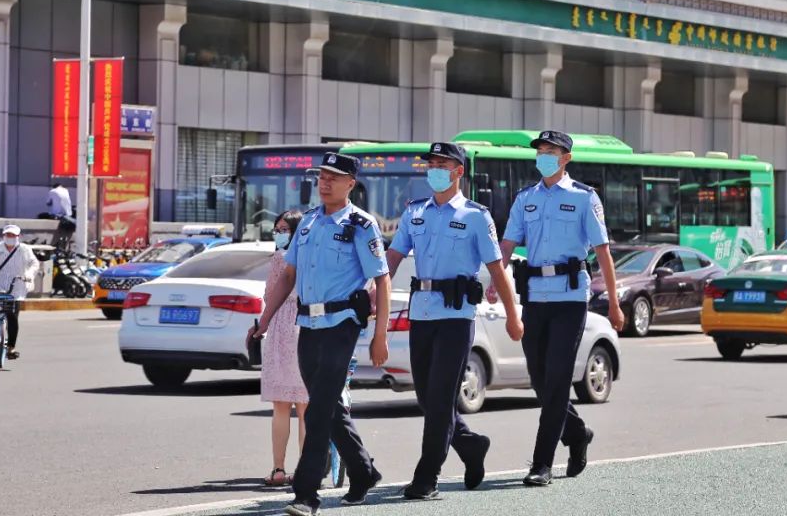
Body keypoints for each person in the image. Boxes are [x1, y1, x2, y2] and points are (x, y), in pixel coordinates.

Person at [253, 152, 391, 516]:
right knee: (329, 409)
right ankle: (363, 472)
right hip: (308, 326)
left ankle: (306, 494)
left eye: (333, 177)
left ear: (351, 183)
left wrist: (381, 336)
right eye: (321, 176)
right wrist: (266, 319)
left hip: (342, 324)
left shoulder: (361, 225)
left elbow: (382, 278)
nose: (324, 182)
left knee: (316, 411)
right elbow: (288, 276)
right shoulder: (310, 222)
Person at [386, 142, 523, 500]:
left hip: (456, 317)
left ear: (458, 171)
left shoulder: (476, 215)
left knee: (442, 397)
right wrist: (375, 291)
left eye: (441, 163)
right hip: (421, 312)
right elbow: (393, 257)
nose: (434, 169)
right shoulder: (415, 211)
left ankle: (426, 476)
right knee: (427, 399)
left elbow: (497, 268)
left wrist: (512, 316)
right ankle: (471, 445)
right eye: (430, 163)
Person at [496, 130, 624, 487]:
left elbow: (602, 252)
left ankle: (541, 463)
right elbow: (506, 244)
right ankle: (578, 432)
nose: (544, 157)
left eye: (551, 152)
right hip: (535, 296)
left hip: (570, 298)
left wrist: (613, 303)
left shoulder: (584, 198)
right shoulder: (526, 198)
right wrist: (496, 280)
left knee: (556, 379)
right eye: (540, 151)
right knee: (539, 379)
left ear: (566, 158)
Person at [258, 209, 309, 487]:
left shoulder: (279, 258)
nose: (278, 234)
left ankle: (278, 469)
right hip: (307, 323)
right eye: (277, 229)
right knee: (305, 406)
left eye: (283, 229)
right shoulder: (311, 256)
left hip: (281, 328)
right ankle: (305, 469)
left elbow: (269, 295)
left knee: (281, 406)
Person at [0, 225, 39, 360]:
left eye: (13, 235)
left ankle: (11, 347)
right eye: (7, 235)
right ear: (3, 236)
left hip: (17, 283)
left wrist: (29, 274)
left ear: (18, 237)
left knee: (12, 316)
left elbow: (34, 263)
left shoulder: (24, 249)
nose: (10, 238)